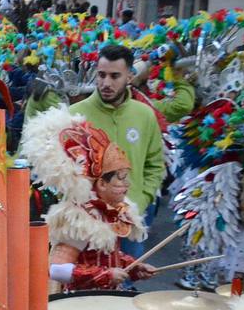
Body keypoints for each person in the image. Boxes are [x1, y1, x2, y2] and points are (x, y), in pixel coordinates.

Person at [21, 106, 156, 290]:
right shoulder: (79, 218)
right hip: (81, 307)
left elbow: (106, 255)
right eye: (121, 178)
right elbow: (56, 269)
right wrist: (104, 275)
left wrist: (132, 267)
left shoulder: (109, 211)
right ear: (101, 184)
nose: (127, 185)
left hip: (103, 304)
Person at [69, 43, 165, 258]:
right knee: (86, 284)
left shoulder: (145, 115)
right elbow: (62, 171)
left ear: (130, 77)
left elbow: (155, 164)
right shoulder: (74, 115)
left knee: (127, 281)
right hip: (87, 221)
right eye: (101, 75)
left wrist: (140, 201)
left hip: (131, 217)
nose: (106, 83)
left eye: (115, 76)